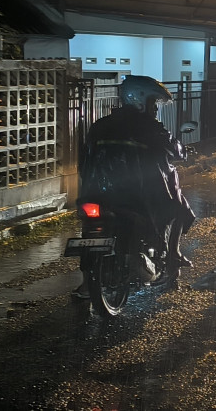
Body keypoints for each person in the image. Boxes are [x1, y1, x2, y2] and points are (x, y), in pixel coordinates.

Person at [73, 76, 195, 296]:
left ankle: (85, 283)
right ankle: (171, 257)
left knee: (89, 229)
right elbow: (174, 149)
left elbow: (84, 159)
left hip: (97, 192)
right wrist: (183, 150)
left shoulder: (100, 125)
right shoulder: (149, 127)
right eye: (154, 103)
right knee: (177, 207)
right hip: (137, 195)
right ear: (141, 100)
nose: (156, 109)